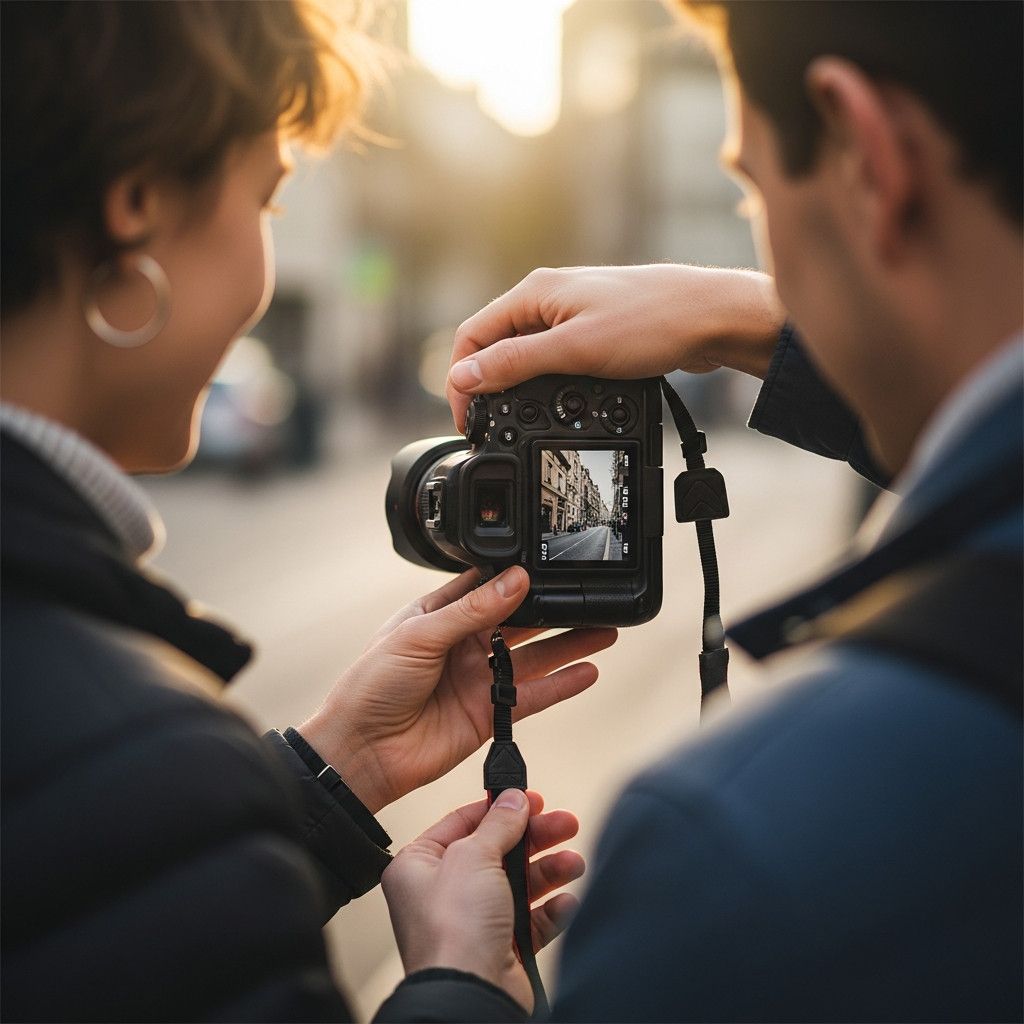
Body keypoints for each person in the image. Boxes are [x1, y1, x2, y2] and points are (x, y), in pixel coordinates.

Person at [0, 3, 617, 1020]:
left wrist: (331, 772)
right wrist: (458, 988)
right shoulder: (122, 741)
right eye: (267, 201)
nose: (262, 266)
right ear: (138, 203)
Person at [431, 1, 1021, 1020]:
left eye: (747, 182)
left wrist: (457, 993)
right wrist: (757, 318)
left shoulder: (735, 857)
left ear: (861, 152)